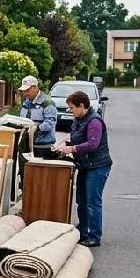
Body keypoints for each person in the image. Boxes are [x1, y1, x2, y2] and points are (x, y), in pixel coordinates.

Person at [53, 90, 112, 247]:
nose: (70, 111)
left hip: (98, 166)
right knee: (81, 201)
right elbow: (77, 140)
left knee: (92, 202)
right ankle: (83, 232)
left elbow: (92, 144)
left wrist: (71, 150)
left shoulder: (94, 121)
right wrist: (64, 147)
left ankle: (94, 236)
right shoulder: (78, 119)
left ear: (81, 106)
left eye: (72, 108)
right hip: (85, 165)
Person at [17, 75, 58, 187]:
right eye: (24, 91)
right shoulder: (26, 102)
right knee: (26, 177)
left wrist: (36, 128)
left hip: (42, 147)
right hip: (27, 146)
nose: (25, 94)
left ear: (35, 87)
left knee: (40, 179)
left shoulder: (48, 102)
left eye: (27, 90)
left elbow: (50, 123)